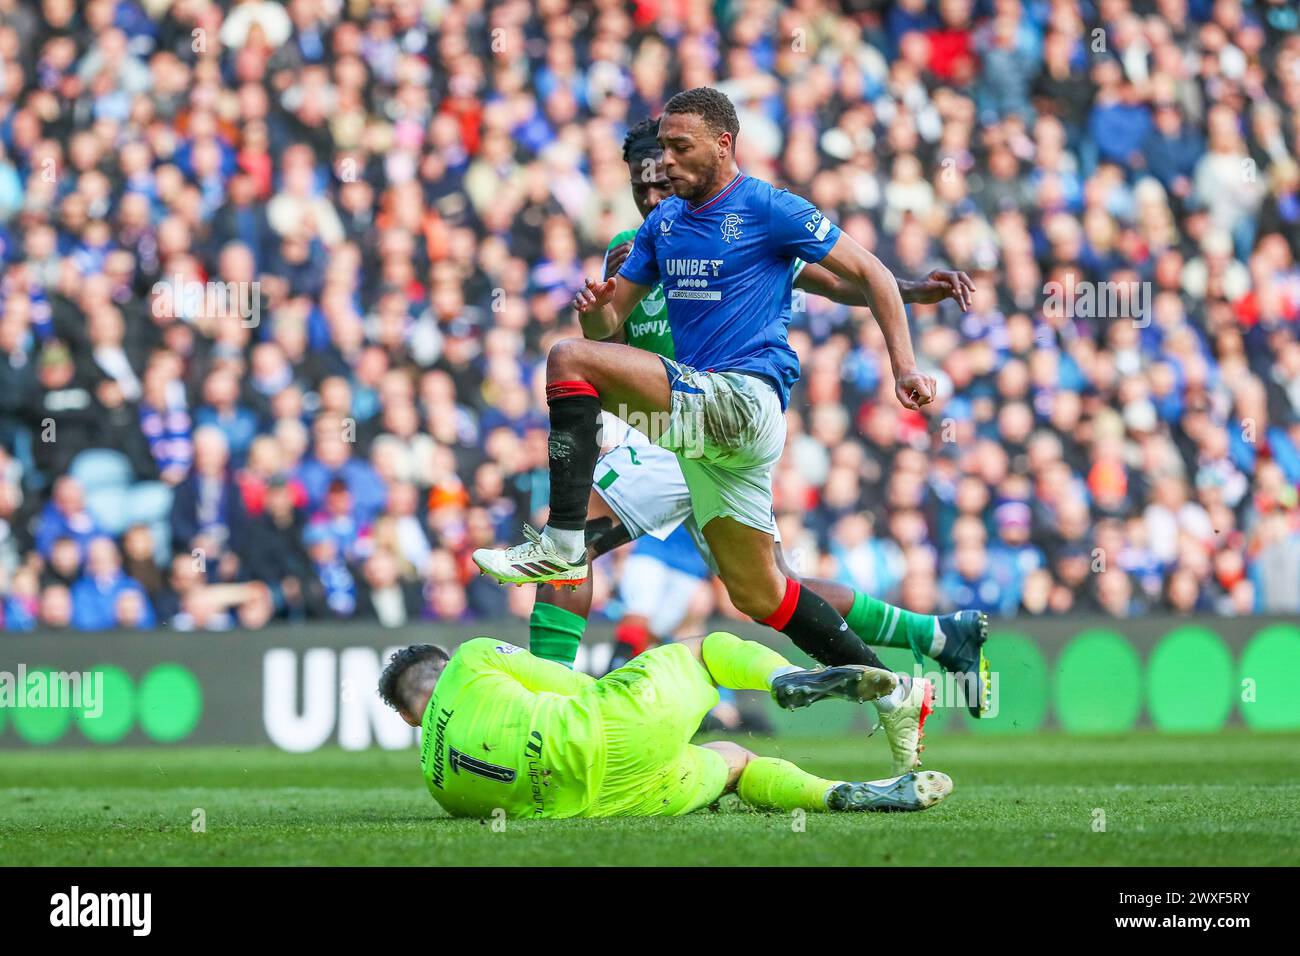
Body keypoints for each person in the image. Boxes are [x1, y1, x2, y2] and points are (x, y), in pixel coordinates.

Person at [474, 89, 975, 774]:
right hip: (686, 431)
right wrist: (594, 309)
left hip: (731, 404)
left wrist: (907, 334)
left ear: (721, 145)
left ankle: (543, 665)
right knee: (762, 592)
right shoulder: (651, 237)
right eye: (649, 172)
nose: (663, 178)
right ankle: (902, 689)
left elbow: (851, 276)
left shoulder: (764, 210)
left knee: (566, 374)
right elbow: (601, 328)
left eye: (675, 157)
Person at [378, 631, 953, 819]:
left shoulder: (436, 786)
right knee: (706, 650)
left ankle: (837, 795)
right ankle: (784, 679)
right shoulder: (474, 657)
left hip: (608, 798)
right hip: (615, 722)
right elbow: (574, 686)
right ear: (443, 663)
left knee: (735, 763)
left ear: (409, 717)